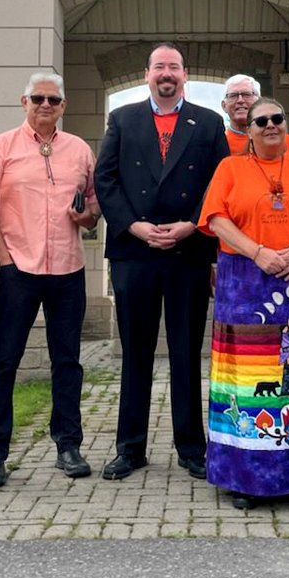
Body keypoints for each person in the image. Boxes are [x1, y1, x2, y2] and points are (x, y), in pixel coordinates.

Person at [198, 97, 289, 510]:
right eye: (259, 121)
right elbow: (215, 218)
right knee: (246, 381)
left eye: (276, 119)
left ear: (286, 124)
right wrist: (257, 251)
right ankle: (244, 477)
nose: (269, 126)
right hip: (245, 282)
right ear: (248, 131)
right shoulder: (230, 168)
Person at [94, 43, 229, 481]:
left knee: (187, 352)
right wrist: (133, 226)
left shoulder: (209, 123)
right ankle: (130, 448)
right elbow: (106, 179)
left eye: (173, 66)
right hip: (135, 252)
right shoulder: (122, 118)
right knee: (136, 352)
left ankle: (191, 448)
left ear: (184, 75)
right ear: (146, 73)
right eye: (158, 67)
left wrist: (192, 224)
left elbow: (219, 182)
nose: (166, 73)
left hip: (188, 251)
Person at [0, 73, 101, 488]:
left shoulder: (79, 149)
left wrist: (88, 216)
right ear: (24, 101)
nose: (45, 105)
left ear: (63, 106)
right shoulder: (0, 148)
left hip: (67, 268)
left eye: (53, 99)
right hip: (18, 269)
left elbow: (96, 200)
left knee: (67, 362)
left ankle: (68, 445)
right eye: (38, 98)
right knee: (3, 361)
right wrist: (2, 259)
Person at [221, 74, 289, 157]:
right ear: (224, 106)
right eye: (233, 96)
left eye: (247, 95)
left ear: (259, 102)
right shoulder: (218, 145)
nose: (240, 100)